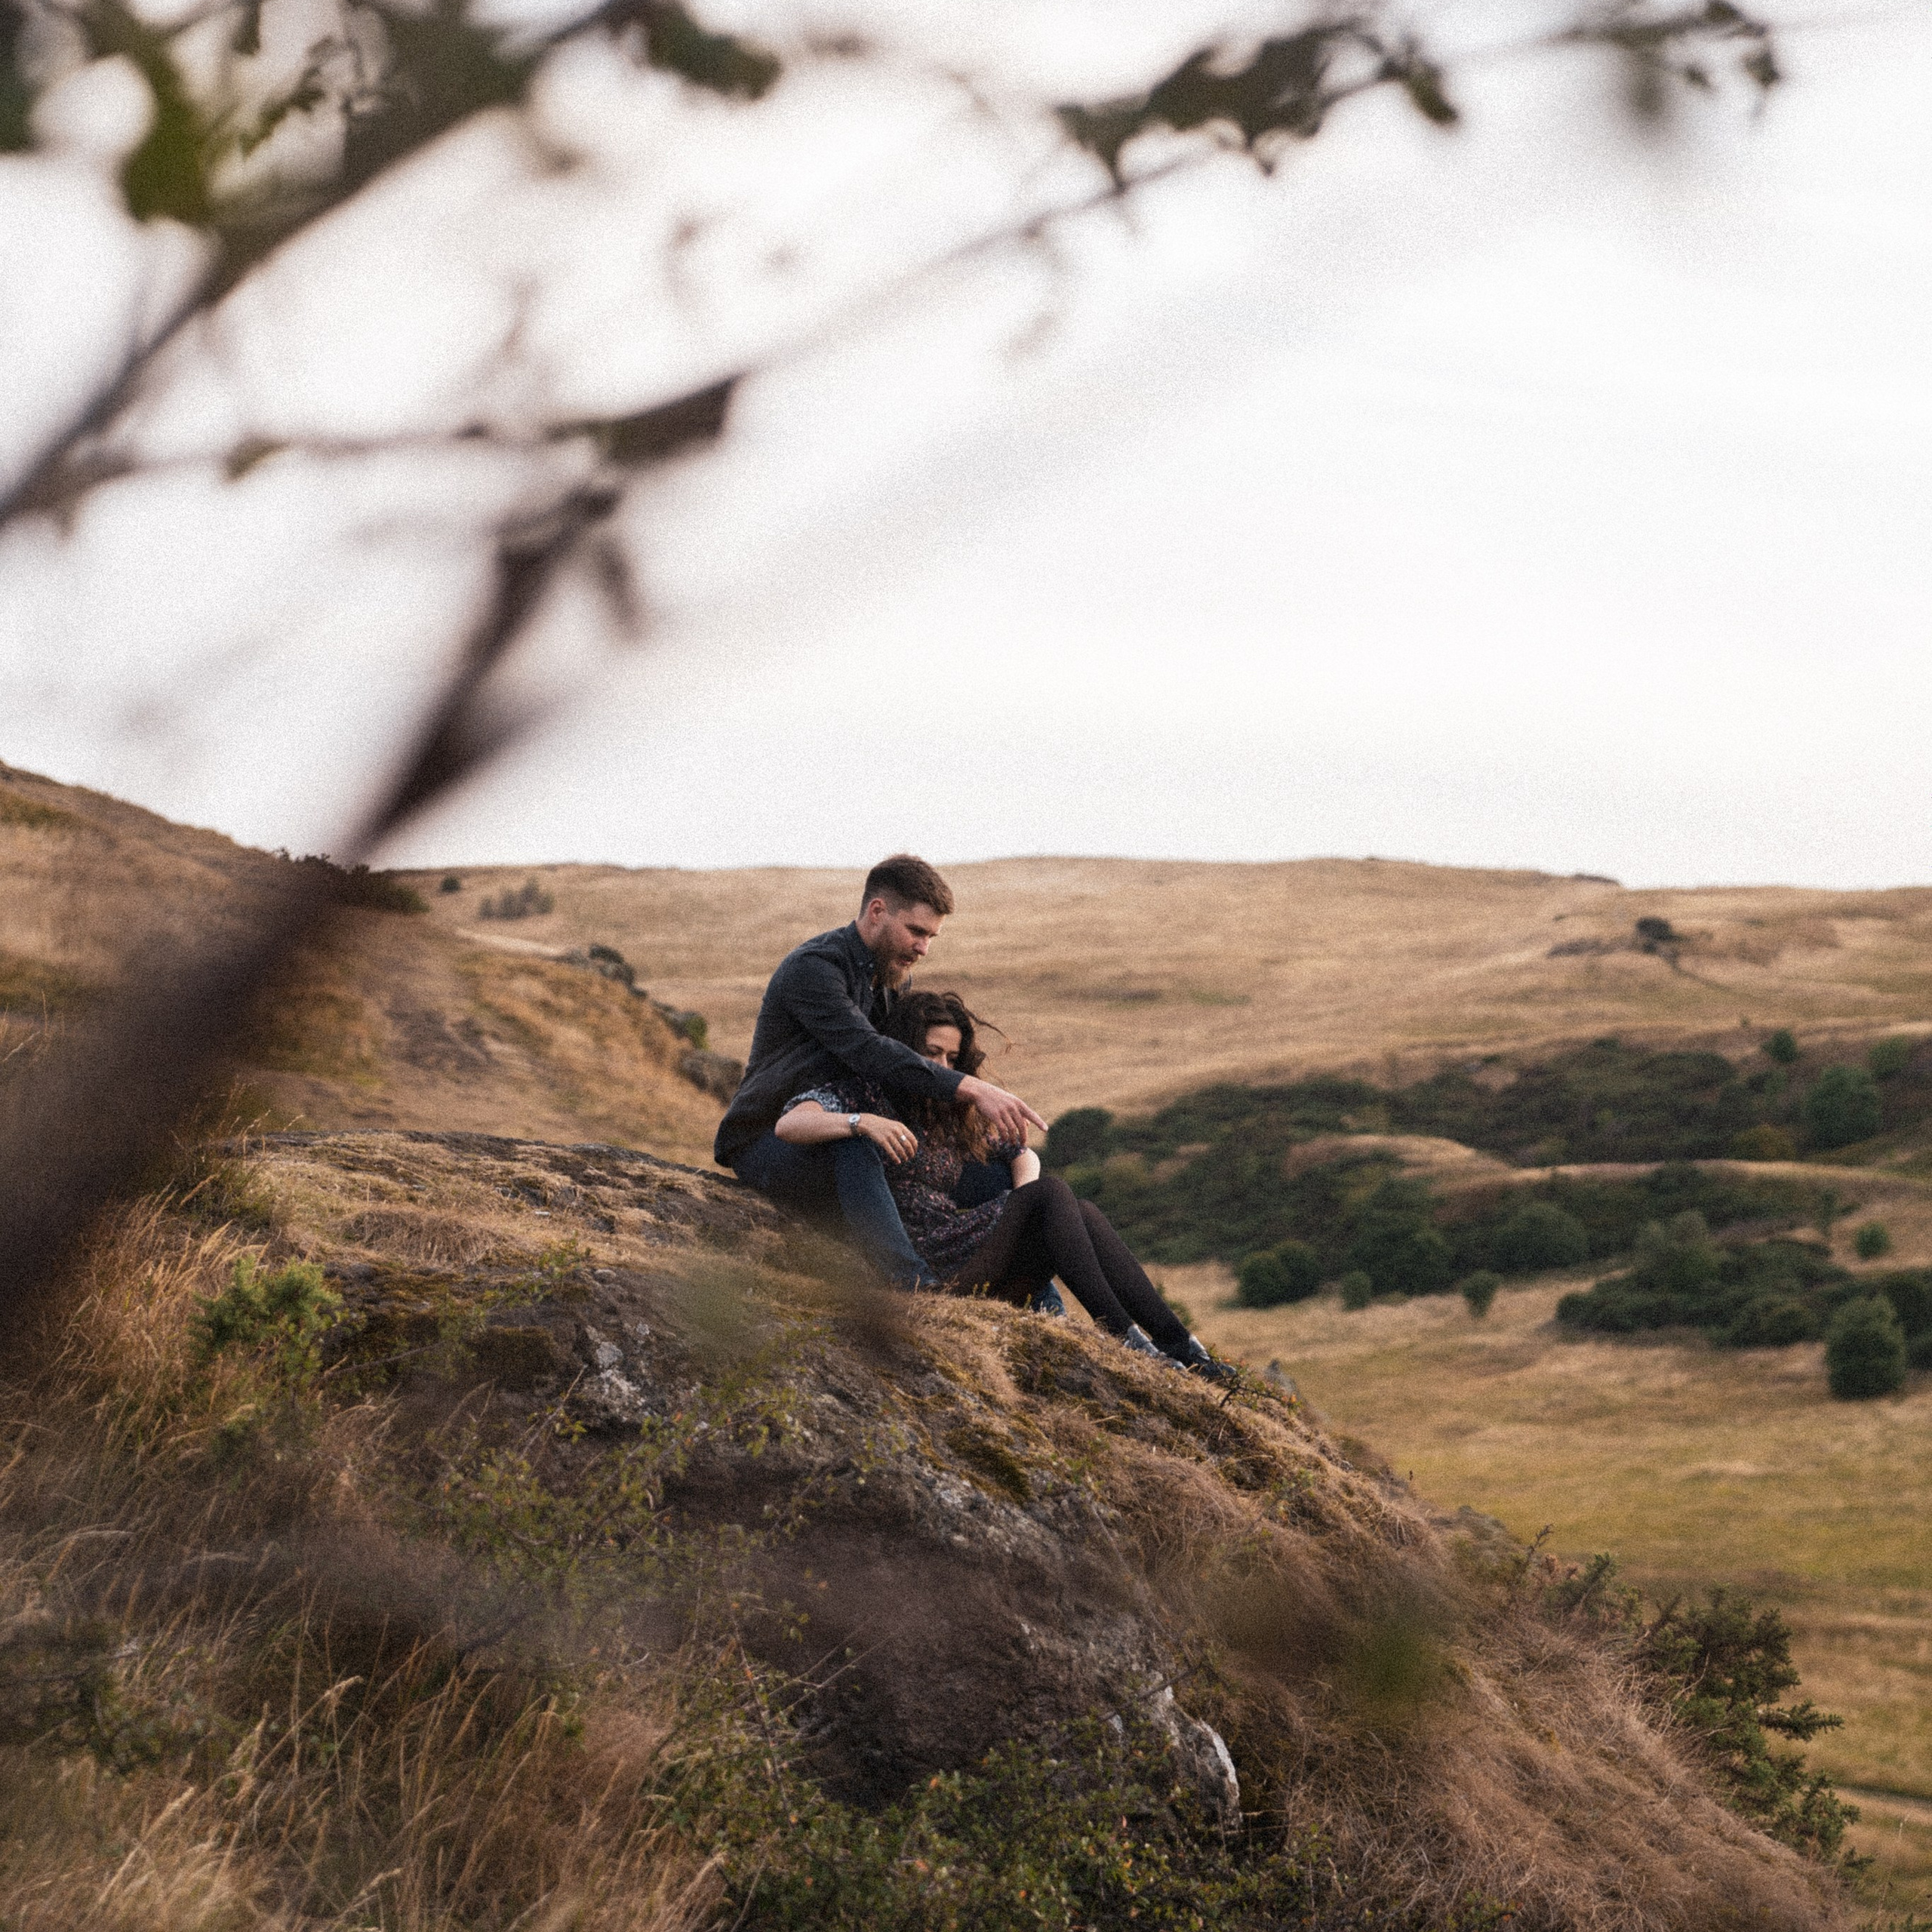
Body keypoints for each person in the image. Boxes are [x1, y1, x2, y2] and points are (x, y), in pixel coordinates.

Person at [774, 989, 1236, 1382]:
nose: (942, 1066)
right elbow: (791, 1124)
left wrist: (1021, 1200)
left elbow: (1021, 1153)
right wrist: (861, 1123)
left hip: (970, 1249)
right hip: (932, 1267)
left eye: (952, 1058)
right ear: (900, 1047)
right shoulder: (865, 1092)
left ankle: (1183, 1347)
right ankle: (1128, 1342)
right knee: (1054, 1195)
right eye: (931, 1053)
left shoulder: (947, 1109)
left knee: (1081, 1210)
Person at [715, 854, 1046, 1291]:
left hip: (853, 1132)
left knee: (998, 1180)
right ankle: (911, 1284)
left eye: (931, 937)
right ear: (877, 912)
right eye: (917, 931)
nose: (924, 948)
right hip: (772, 1141)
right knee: (857, 1145)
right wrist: (970, 1089)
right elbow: (869, 1052)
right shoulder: (815, 969)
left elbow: (901, 1067)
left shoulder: (892, 981)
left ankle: (1038, 1306)